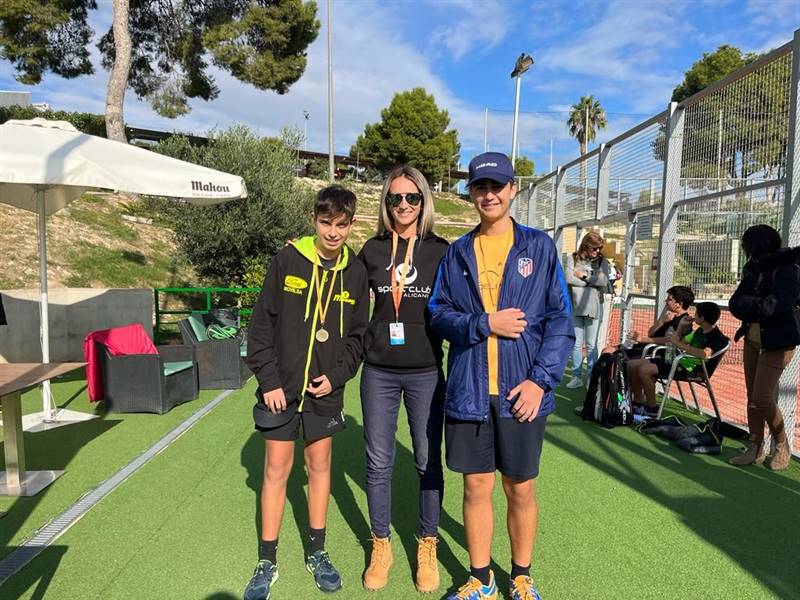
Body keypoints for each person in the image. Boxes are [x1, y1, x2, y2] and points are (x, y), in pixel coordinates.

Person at [428, 152, 574, 600]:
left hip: (521, 392)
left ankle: (521, 576)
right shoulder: (456, 252)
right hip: (469, 392)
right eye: (480, 187)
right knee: (476, 487)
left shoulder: (539, 247)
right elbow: (438, 314)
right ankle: (481, 579)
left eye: (497, 186)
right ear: (470, 193)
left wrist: (539, 381)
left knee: (520, 488)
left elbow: (560, 321)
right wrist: (484, 323)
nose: (488, 195)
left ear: (513, 189)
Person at [243, 185, 369, 600]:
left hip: (325, 392)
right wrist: (269, 381)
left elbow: (358, 338)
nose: (333, 232)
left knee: (319, 466)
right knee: (276, 470)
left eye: (341, 225)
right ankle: (267, 560)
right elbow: (261, 326)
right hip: (280, 390)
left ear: (351, 224)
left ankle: (317, 552)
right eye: (326, 223)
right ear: (314, 220)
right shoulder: (287, 260)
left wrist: (336, 377)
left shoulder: (355, 272)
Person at [357, 165, 449, 593]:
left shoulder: (441, 251)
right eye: (396, 198)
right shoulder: (372, 250)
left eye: (413, 197)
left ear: (424, 201)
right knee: (378, 463)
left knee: (427, 461)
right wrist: (301, 253)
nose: (404, 205)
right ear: (386, 202)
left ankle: (427, 543)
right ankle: (381, 544)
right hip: (378, 371)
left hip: (426, 372)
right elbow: (340, 283)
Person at [728, 224, 800, 471]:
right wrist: (754, 305)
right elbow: (735, 303)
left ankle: (781, 444)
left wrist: (750, 305)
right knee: (752, 398)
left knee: (762, 398)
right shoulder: (752, 268)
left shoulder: (787, 268)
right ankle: (754, 446)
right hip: (752, 337)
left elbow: (777, 305)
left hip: (778, 340)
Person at [626, 302, 729, 418]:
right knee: (631, 365)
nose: (694, 315)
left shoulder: (716, 337)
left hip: (691, 369)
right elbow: (677, 341)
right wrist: (681, 326)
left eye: (696, 313)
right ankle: (638, 403)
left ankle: (652, 409)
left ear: (702, 318)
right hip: (679, 362)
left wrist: (679, 345)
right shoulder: (700, 331)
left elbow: (704, 354)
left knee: (643, 370)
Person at [565, 231, 610, 388]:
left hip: (595, 306)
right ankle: (576, 377)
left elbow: (603, 281)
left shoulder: (602, 261)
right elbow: (568, 278)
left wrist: (584, 277)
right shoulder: (572, 258)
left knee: (591, 344)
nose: (598, 251)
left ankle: (592, 377)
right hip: (575, 305)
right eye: (595, 248)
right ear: (586, 246)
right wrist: (591, 284)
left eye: (599, 248)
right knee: (576, 343)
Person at [601, 285, 695, 359]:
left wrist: (641, 339)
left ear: (679, 304)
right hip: (647, 347)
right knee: (607, 350)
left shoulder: (684, 321)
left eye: (669, 299)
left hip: (655, 352)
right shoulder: (670, 316)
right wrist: (661, 321)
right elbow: (651, 334)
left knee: (611, 355)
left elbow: (669, 341)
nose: (666, 301)